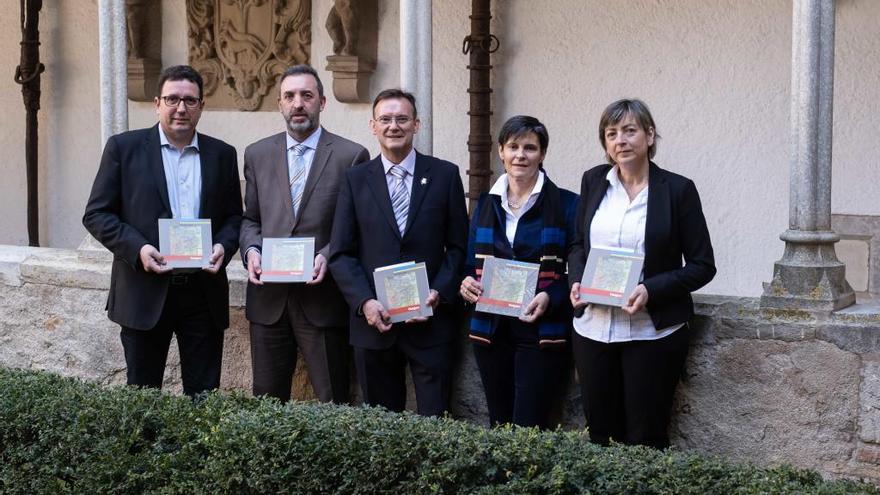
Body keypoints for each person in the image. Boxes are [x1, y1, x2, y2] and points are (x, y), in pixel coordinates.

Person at [83, 65, 242, 397]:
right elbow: (97, 214)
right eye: (172, 99)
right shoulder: (123, 149)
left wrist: (224, 248)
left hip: (203, 292)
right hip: (144, 289)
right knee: (143, 398)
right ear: (157, 103)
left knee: (204, 398)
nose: (181, 108)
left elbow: (233, 218)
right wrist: (138, 249)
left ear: (201, 105)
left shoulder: (223, 154)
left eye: (189, 100)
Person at [568, 99, 716, 448]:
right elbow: (577, 244)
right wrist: (576, 279)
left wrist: (650, 289)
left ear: (649, 136)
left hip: (651, 333)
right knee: (600, 436)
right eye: (612, 133)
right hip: (593, 330)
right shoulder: (593, 182)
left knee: (646, 439)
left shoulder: (677, 190)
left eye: (630, 130)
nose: (621, 140)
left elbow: (702, 265)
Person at [328, 89, 468, 416]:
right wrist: (365, 303)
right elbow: (341, 253)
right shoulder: (355, 180)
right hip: (375, 325)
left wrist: (438, 293)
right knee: (380, 428)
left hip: (430, 324)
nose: (394, 126)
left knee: (435, 422)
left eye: (402, 119)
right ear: (373, 126)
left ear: (416, 125)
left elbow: (459, 246)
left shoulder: (445, 175)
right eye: (386, 119)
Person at [239, 65, 369, 403]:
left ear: (322, 103)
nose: (298, 103)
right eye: (290, 96)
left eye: (307, 96)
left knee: (333, 400)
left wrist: (327, 254)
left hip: (323, 299)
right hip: (269, 301)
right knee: (266, 404)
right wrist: (252, 251)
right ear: (280, 104)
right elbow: (250, 219)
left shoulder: (351, 156)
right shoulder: (256, 154)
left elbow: (356, 228)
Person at [459, 115, 578, 428]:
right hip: (491, 328)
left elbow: (578, 267)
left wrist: (550, 296)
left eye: (530, 147)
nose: (520, 155)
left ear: (542, 154)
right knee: (499, 423)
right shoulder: (485, 203)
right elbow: (470, 263)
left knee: (530, 425)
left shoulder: (567, 205)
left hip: (540, 327)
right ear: (501, 151)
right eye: (513, 146)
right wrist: (467, 282)